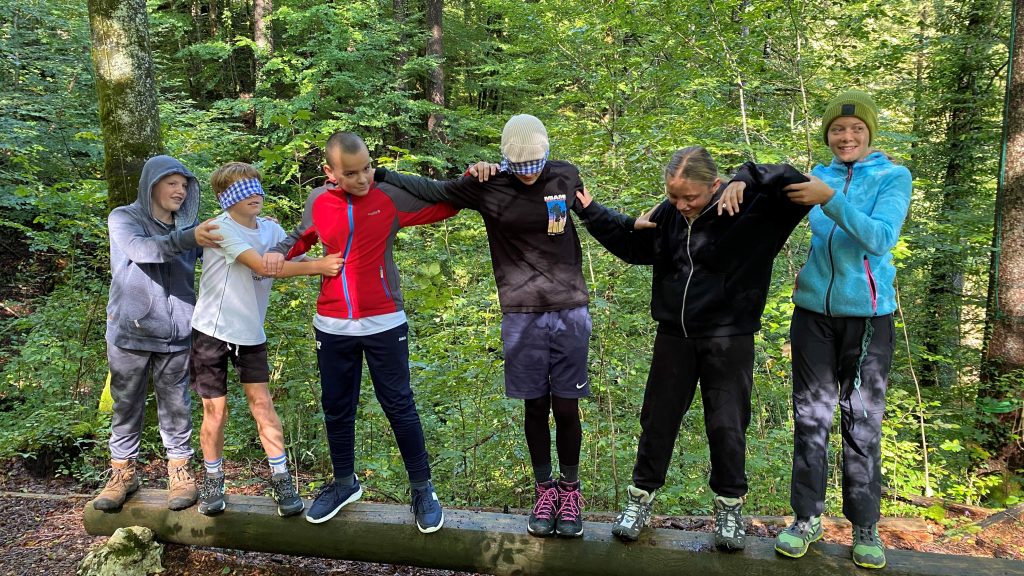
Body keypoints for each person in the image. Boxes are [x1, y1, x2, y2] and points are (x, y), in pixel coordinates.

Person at [575, 147, 810, 550]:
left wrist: (745, 177)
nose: (681, 205)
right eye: (673, 196)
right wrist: (590, 210)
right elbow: (633, 246)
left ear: (715, 185)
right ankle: (639, 501)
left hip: (729, 338)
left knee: (727, 425)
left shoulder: (750, 208)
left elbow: (796, 180)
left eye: (691, 198)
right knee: (657, 420)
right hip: (674, 337)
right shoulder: (669, 215)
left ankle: (730, 509)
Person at [374, 114, 592, 538]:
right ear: (506, 159)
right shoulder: (488, 184)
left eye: (535, 165)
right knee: (535, 405)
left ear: (547, 154)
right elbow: (433, 191)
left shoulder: (566, 175)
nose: (528, 174)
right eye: (520, 166)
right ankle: (544, 490)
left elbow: (595, 215)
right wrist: (382, 173)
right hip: (520, 312)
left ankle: (571, 490)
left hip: (569, 308)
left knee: (567, 406)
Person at [262, 132, 455, 533]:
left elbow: (446, 204)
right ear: (330, 172)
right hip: (332, 324)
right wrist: (278, 253)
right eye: (351, 173)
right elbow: (300, 236)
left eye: (367, 167)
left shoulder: (388, 197)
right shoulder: (318, 200)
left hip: (385, 320)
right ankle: (346, 483)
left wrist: (472, 179)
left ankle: (423, 489)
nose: (363, 178)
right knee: (337, 407)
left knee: (399, 406)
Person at [773, 90, 911, 570]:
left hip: (869, 317)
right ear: (827, 135)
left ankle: (865, 525)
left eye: (855, 130)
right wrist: (733, 186)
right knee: (811, 417)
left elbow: (881, 237)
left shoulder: (893, 177)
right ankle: (805, 518)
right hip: (812, 313)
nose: (846, 136)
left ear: (870, 133)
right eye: (837, 129)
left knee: (862, 421)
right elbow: (765, 200)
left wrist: (830, 200)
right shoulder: (818, 176)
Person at [189, 162, 344, 517]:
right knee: (215, 410)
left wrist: (326, 253)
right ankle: (213, 481)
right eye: (244, 190)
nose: (255, 195)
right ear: (225, 198)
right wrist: (321, 266)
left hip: (250, 333)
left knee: (263, 404)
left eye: (257, 187)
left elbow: (298, 252)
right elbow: (260, 265)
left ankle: (281, 479)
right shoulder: (217, 229)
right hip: (212, 332)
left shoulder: (272, 230)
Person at [92, 155, 222, 512]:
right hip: (130, 332)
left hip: (177, 332)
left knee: (176, 405)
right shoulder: (123, 218)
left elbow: (225, 249)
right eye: (172, 183)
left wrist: (253, 226)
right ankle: (122, 473)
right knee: (126, 404)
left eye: (185, 185)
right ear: (152, 184)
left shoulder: (189, 228)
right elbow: (142, 251)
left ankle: (179, 472)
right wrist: (189, 237)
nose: (180, 190)